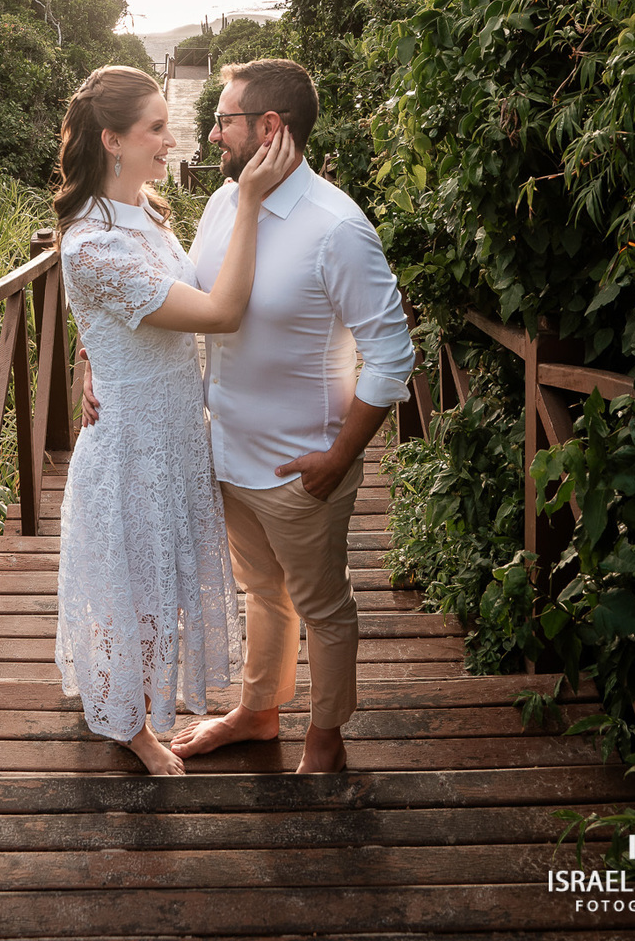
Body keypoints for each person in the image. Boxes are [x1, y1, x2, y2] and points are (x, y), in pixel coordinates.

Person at [84, 58, 415, 774]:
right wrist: (95, 360)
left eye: (225, 118)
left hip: (303, 462)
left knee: (324, 608)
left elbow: (392, 356)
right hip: (222, 452)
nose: (209, 132)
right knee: (265, 594)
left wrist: (340, 455)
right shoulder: (228, 203)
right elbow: (166, 297)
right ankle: (260, 715)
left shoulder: (338, 227)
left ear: (270, 127)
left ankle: (324, 738)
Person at [53, 65, 296, 776]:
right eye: (156, 128)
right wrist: (248, 200)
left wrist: (89, 354)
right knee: (134, 586)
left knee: (154, 581)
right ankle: (131, 728)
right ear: (112, 140)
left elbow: (134, 310)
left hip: (173, 431)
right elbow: (216, 312)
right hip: (133, 445)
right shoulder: (93, 242)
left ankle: (131, 705)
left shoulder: (148, 210)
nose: (172, 139)